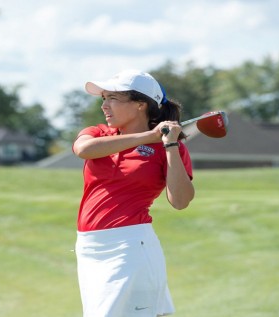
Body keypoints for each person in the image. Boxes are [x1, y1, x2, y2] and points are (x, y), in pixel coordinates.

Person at [72, 69, 195, 317]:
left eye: (112, 98)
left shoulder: (168, 147)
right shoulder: (97, 133)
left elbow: (180, 201)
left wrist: (170, 145)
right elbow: (83, 149)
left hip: (129, 246)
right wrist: (148, 136)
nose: (104, 106)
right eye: (103, 98)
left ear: (140, 104)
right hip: (89, 247)